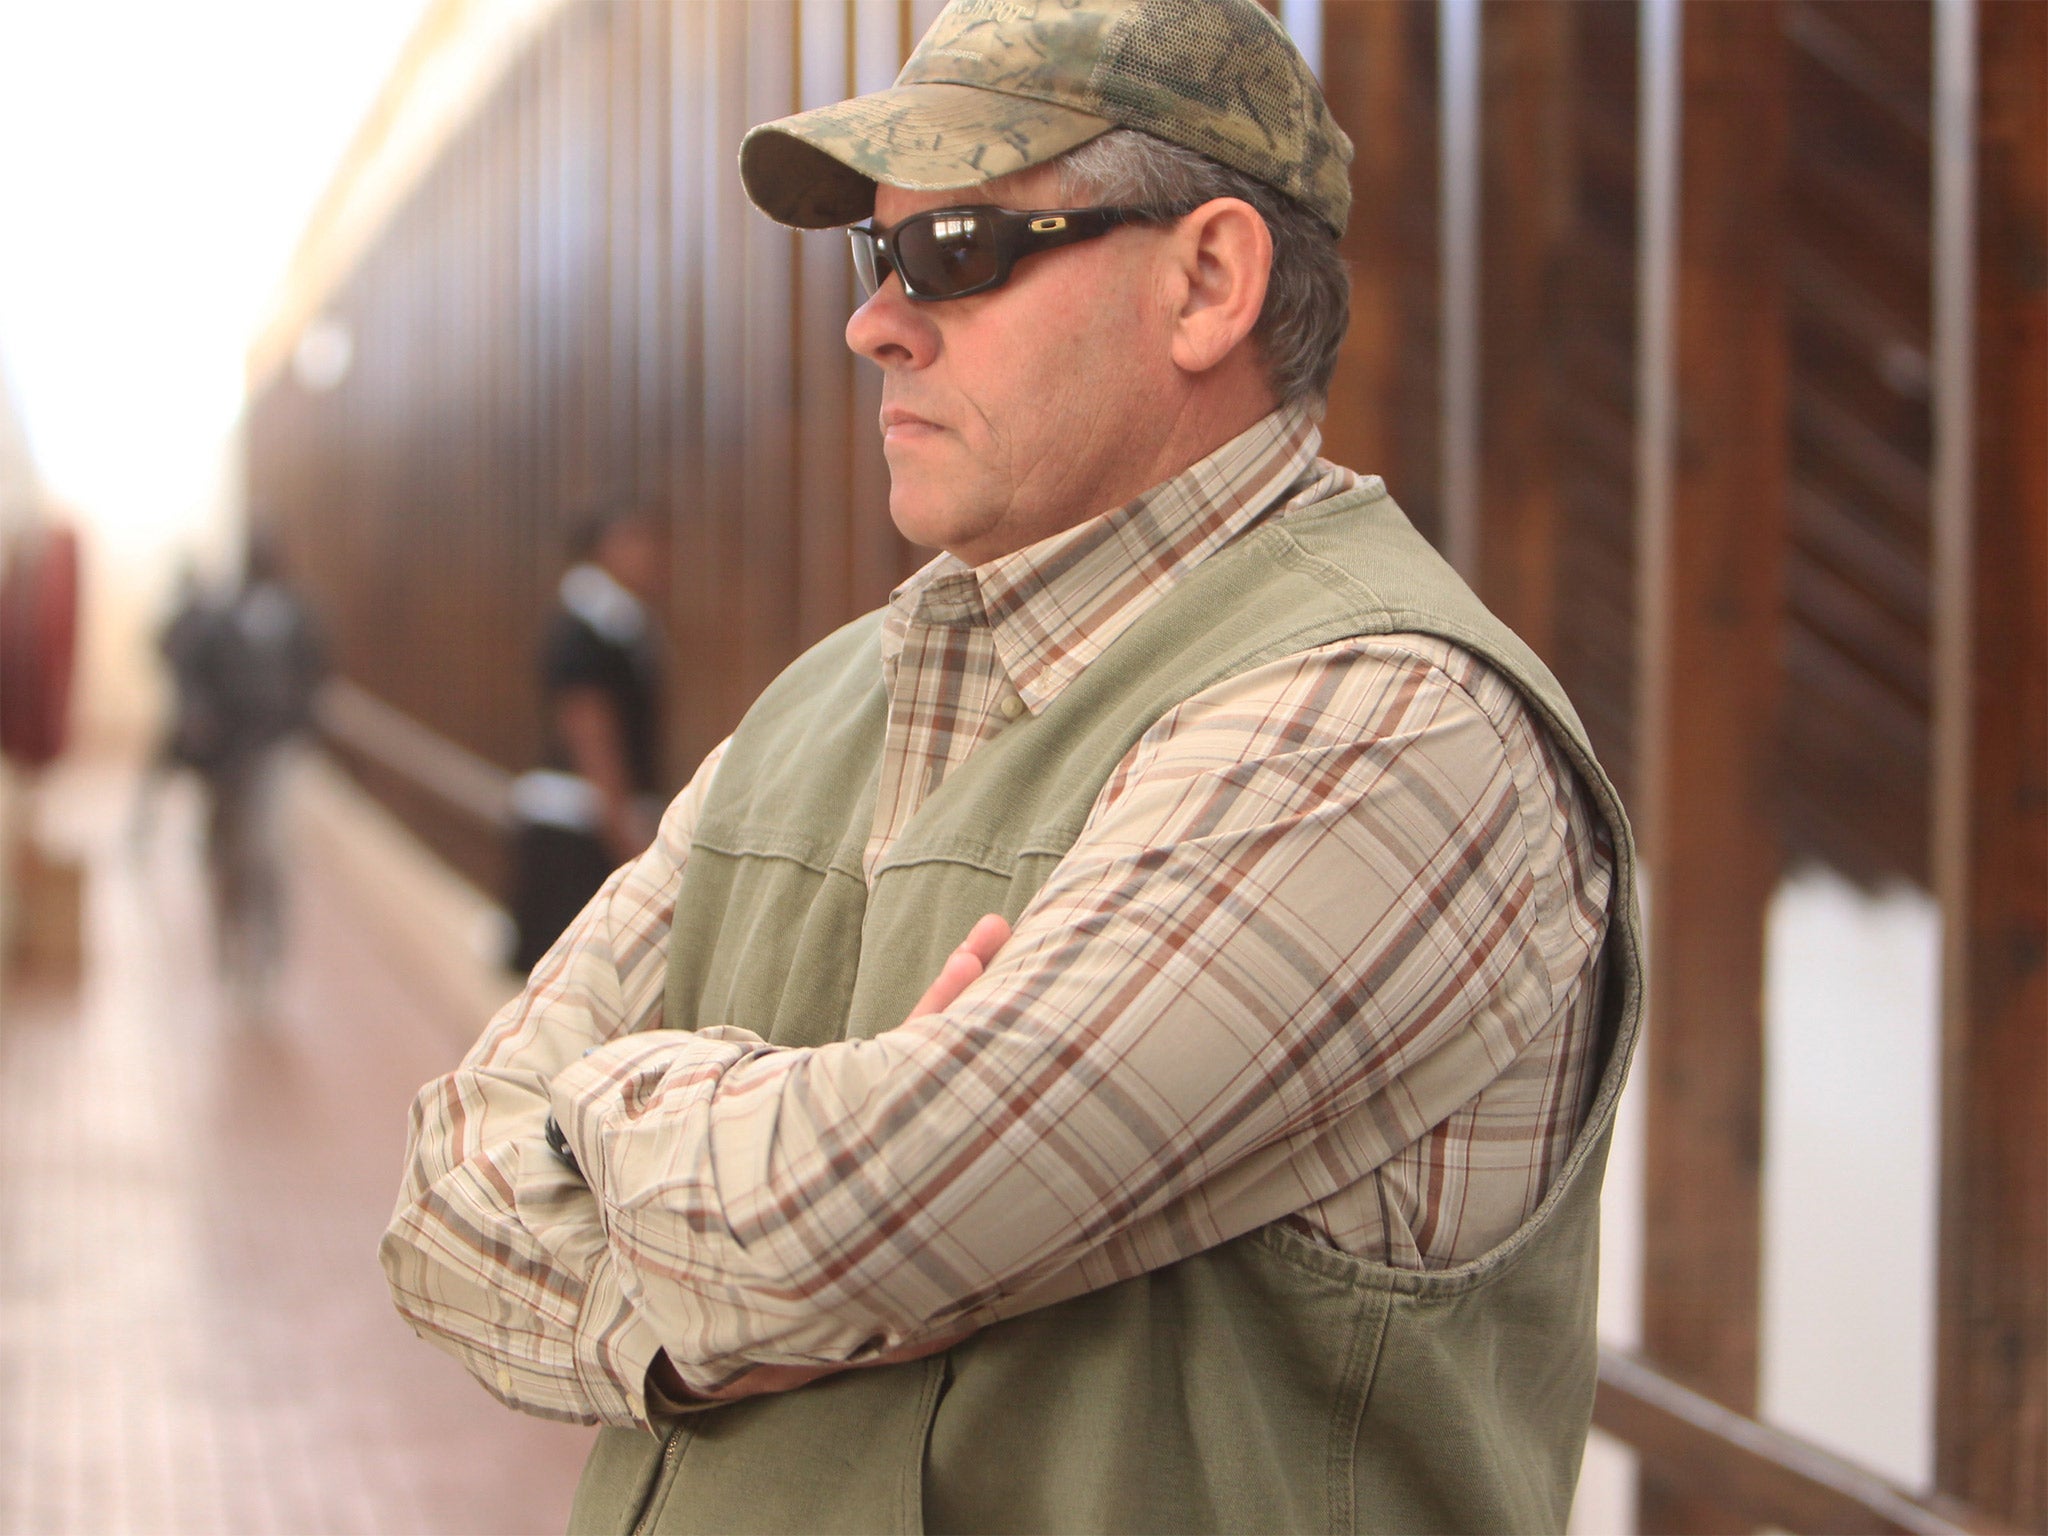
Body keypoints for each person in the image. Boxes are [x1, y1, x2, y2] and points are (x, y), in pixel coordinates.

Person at [382, 3, 1644, 1530]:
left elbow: (840, 1224)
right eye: (877, 255)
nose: (876, 322)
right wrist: (742, 1259)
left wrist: (613, 1106)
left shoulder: (1389, 726)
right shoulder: (824, 698)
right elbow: (444, 1198)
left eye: (960, 250)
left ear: (1209, 281)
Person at [508, 506, 670, 972]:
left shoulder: (620, 622)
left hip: (591, 819)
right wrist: (627, 838)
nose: (655, 556)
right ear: (603, 550)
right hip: (579, 830)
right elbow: (590, 731)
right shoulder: (587, 628)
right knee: (576, 978)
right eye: (637, 541)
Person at [194, 530, 327, 1012]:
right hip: (230, 756)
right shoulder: (224, 612)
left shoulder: (298, 613)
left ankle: (269, 949)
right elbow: (199, 672)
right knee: (230, 854)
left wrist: (301, 724)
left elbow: (317, 672)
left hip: (276, 749)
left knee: (266, 850)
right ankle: (230, 938)